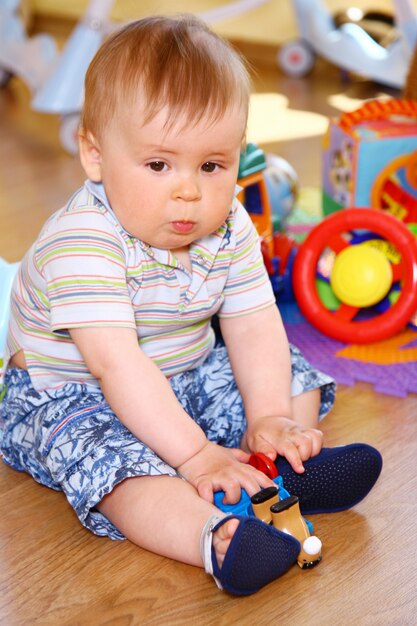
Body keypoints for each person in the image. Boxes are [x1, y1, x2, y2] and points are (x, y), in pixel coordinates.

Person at [0, 14, 382, 596]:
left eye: (212, 165)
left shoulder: (229, 224)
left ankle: (276, 465)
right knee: (115, 467)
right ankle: (216, 535)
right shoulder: (80, 243)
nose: (189, 190)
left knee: (292, 377)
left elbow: (253, 322)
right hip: (75, 396)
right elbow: (118, 367)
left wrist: (269, 415)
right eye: (159, 164)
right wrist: (198, 455)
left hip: (185, 371)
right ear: (95, 154)